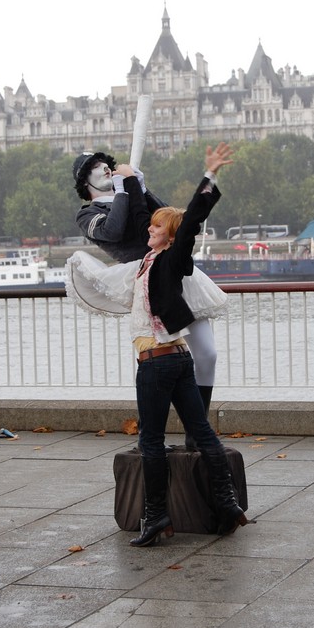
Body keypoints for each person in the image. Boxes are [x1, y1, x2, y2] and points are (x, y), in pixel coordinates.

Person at [111, 142, 248, 547]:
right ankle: (226, 503)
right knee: (202, 433)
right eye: (150, 225)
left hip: (156, 363)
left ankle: (156, 517)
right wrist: (131, 182)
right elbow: (140, 218)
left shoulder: (173, 259)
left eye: (156, 228)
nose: (148, 231)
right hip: (178, 359)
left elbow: (190, 222)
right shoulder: (148, 260)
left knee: (151, 441)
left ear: (169, 236)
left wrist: (210, 177)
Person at [71, 151, 222, 445]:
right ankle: (151, 435)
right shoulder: (86, 214)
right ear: (83, 180)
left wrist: (140, 186)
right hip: (145, 283)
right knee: (158, 364)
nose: (104, 168)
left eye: (105, 164)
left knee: (207, 354)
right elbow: (113, 230)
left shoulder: (129, 191)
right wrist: (125, 189)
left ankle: (196, 432)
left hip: (174, 273)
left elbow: (172, 220)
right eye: (93, 167)